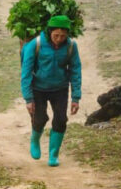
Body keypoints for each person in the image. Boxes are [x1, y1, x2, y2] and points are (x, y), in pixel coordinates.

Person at [21, 14, 82, 167]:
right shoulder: (36, 44)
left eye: (63, 35)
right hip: (38, 89)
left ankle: (53, 155)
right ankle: (35, 140)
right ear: (49, 32)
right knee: (40, 118)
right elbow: (26, 72)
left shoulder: (70, 46)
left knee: (61, 120)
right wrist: (28, 99)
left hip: (60, 89)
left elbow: (75, 71)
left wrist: (76, 98)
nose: (59, 38)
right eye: (56, 35)